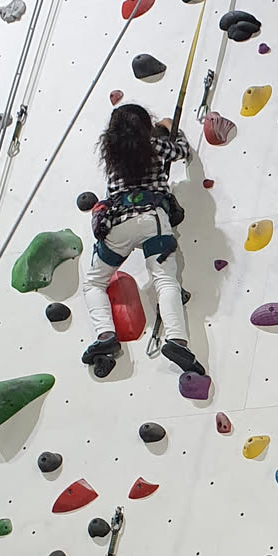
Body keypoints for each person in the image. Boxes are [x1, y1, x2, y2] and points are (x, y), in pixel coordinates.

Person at [80, 102, 204, 379]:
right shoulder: (155, 146)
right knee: (165, 280)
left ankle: (105, 335)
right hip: (152, 219)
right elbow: (182, 151)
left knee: (94, 282)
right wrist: (170, 128)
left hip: (118, 223)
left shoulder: (112, 156)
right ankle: (177, 340)